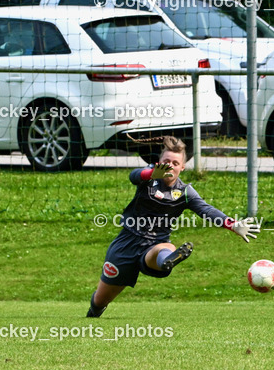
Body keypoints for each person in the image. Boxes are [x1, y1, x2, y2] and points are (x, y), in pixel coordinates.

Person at [88, 135, 260, 318]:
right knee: (100, 301)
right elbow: (133, 176)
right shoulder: (149, 176)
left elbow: (207, 210)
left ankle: (168, 261)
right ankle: (94, 314)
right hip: (127, 242)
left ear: (182, 167)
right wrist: (151, 173)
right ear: (159, 163)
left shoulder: (185, 193)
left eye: (175, 163)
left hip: (155, 244)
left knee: (166, 248)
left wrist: (232, 224)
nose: (170, 166)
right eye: (166, 162)